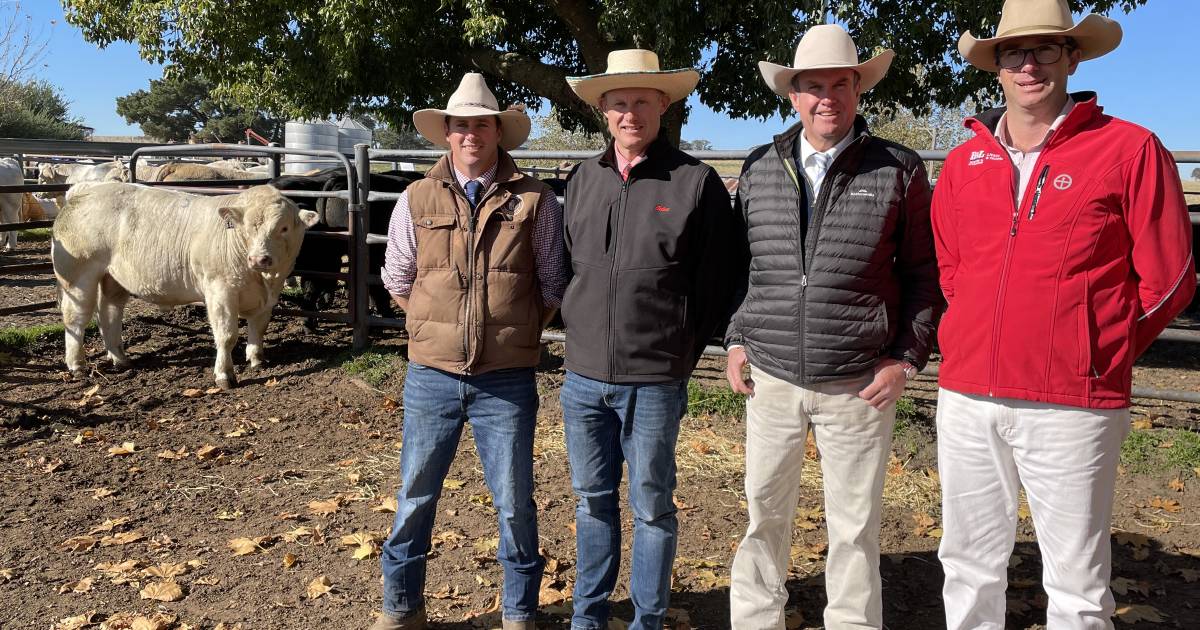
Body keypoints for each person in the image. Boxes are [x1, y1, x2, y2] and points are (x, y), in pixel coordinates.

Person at [933, 1, 1196, 627]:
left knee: (1076, 583)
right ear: (996, 65)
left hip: (1074, 402)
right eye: (1014, 53)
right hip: (968, 395)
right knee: (968, 563)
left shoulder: (1128, 149)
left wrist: (1097, 350)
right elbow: (951, 267)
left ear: (1072, 57)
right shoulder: (963, 164)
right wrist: (968, 330)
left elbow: (1171, 278)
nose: (1029, 65)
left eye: (1045, 49)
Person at [723, 24, 942, 629]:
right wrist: (737, 335)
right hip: (772, 376)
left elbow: (925, 274)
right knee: (763, 513)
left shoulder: (897, 168)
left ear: (858, 89)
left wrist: (906, 357)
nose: (827, 98)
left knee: (854, 524)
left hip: (857, 380)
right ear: (792, 95)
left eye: (840, 84)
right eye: (812, 86)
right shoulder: (761, 166)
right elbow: (749, 268)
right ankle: (756, 620)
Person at [372, 72, 566, 630]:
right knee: (414, 495)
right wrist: (437, 329)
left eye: (481, 124)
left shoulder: (534, 199)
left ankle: (518, 610)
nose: (471, 134)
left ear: (497, 131)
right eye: (461, 125)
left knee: (514, 501)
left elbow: (551, 284)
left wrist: (510, 330)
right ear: (447, 133)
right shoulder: (416, 197)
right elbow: (397, 276)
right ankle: (401, 608)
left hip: (505, 379)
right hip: (431, 372)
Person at [559, 49, 740, 630]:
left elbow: (720, 279)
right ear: (603, 111)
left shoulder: (695, 183)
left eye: (642, 100)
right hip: (583, 376)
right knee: (592, 501)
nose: (629, 112)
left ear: (664, 103)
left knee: (653, 505)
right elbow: (565, 267)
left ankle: (647, 619)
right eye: (618, 102)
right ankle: (587, 615)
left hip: (657, 378)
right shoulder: (582, 180)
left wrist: (682, 349)